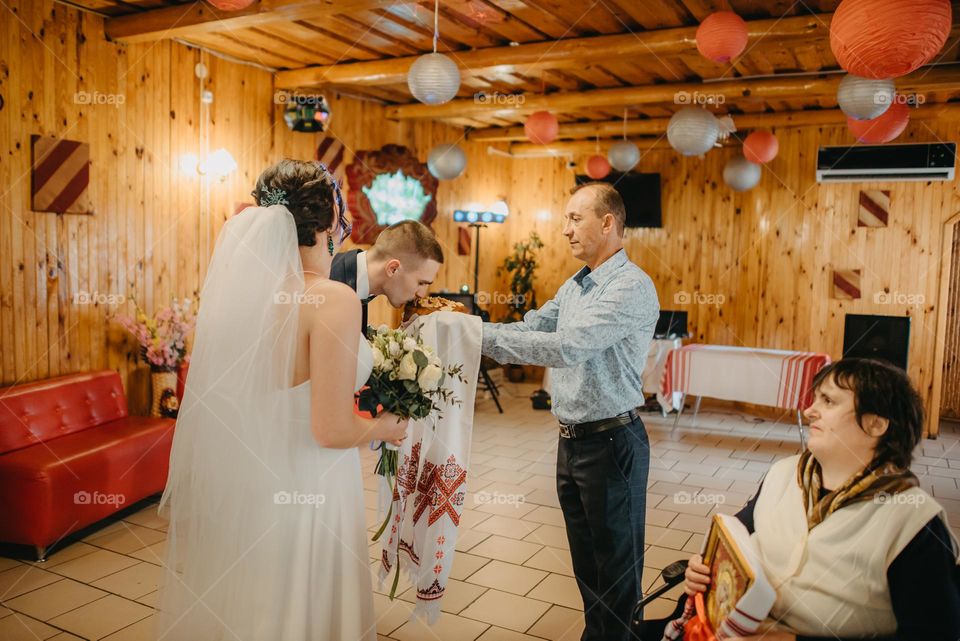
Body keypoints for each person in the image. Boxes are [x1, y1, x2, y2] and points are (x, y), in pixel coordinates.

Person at [156, 159, 409, 640]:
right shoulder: (331, 299)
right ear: (328, 222)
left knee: (261, 599)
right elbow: (332, 429)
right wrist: (387, 428)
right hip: (313, 479)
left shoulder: (246, 299)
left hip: (256, 480)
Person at [482, 182, 660, 641]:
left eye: (574, 219)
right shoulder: (577, 283)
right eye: (565, 220)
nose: (564, 230)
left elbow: (567, 347)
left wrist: (476, 338)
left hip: (612, 443)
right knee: (586, 563)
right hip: (572, 441)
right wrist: (470, 327)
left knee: (617, 568)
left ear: (607, 223)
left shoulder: (630, 286)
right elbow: (536, 325)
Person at [677, 358, 960, 641]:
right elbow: (732, 540)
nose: (810, 411)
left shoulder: (914, 521)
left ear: (876, 424)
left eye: (828, 402)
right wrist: (704, 570)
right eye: (815, 399)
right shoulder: (783, 473)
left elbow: (934, 634)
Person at [330, 219, 444, 331]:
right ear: (393, 268)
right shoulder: (328, 280)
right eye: (421, 283)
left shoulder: (357, 284)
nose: (422, 294)